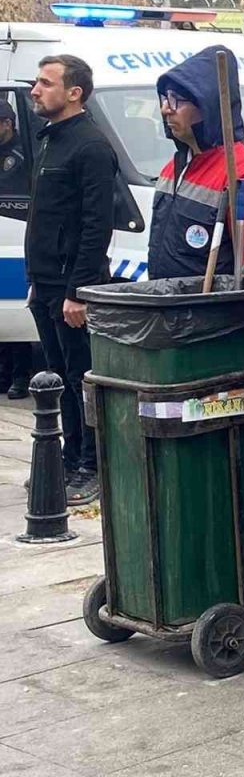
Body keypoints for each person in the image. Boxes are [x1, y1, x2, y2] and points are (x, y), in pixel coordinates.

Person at [26, 55, 118, 505]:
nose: (35, 90)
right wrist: (36, 281)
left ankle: (91, 465)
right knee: (58, 376)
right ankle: (67, 457)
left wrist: (77, 292)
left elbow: (96, 226)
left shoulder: (91, 147)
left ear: (74, 92)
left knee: (82, 376)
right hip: (44, 285)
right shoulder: (50, 140)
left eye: (45, 83)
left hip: (72, 290)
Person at [149, 46, 244, 280]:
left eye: (175, 100)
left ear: (206, 105)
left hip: (211, 313)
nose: (165, 109)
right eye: (164, 98)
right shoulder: (176, 165)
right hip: (168, 310)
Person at [0, 102, 31, 399]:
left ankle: (20, 376)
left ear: (8, 124)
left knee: (17, 315)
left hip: (14, 230)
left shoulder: (18, 154)